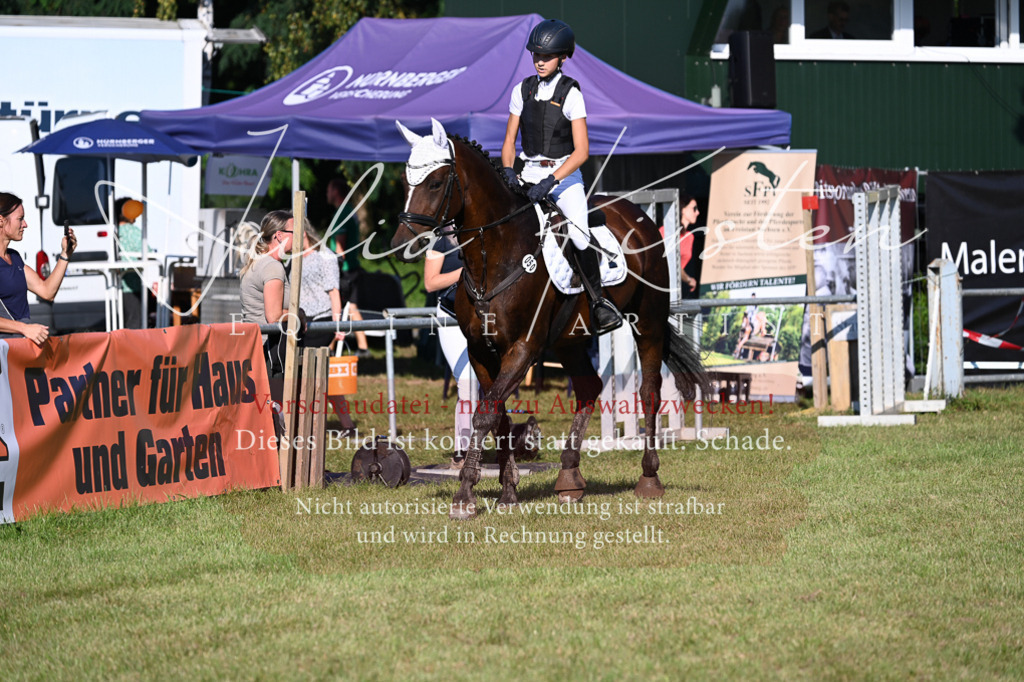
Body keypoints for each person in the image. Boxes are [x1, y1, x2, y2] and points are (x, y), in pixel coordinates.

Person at [501, 18, 623, 335]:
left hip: (563, 178)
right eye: (536, 55)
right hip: (528, 173)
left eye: (547, 56)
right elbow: (509, 142)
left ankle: (598, 303)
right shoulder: (521, 90)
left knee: (580, 236)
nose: (540, 61)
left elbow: (582, 151)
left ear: (563, 58)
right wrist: (508, 170)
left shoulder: (571, 94)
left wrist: (551, 181)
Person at [424, 233, 478, 469]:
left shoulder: (482, 232)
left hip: (483, 316)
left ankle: (487, 444)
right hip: (451, 315)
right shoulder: (440, 241)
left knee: (484, 384)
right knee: (467, 382)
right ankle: (464, 451)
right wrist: (465, 272)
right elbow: (430, 282)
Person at [0, 192, 77, 344]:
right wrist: (24, 328)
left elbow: (47, 292)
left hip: (19, 347)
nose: (25, 224)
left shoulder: (15, 258)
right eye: (20, 219)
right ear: (1, 220)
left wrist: (65, 254)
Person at [239, 210, 298, 377]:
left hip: (255, 348)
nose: (300, 237)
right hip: (268, 352)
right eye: (295, 232)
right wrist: (297, 313)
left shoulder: (260, 262)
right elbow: (273, 317)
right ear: (279, 235)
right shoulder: (272, 267)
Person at [326, 177, 370, 358]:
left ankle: (328, 347)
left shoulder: (342, 213)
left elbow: (340, 246)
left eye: (329, 190)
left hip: (342, 267)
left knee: (337, 307)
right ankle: (362, 347)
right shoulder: (350, 210)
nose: (327, 194)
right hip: (351, 266)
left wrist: (333, 266)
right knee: (351, 306)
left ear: (336, 191)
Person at [659, 192, 700, 295]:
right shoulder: (665, 231)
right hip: (658, 284)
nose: (697, 212)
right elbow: (670, 264)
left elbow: (677, 267)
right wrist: (688, 279)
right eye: (694, 208)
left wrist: (687, 279)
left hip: (672, 286)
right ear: (683, 209)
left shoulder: (690, 237)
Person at [115, 197, 146, 328]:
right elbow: (148, 252)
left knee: (122, 322)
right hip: (133, 285)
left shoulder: (114, 231)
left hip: (116, 285)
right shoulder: (133, 232)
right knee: (135, 322)